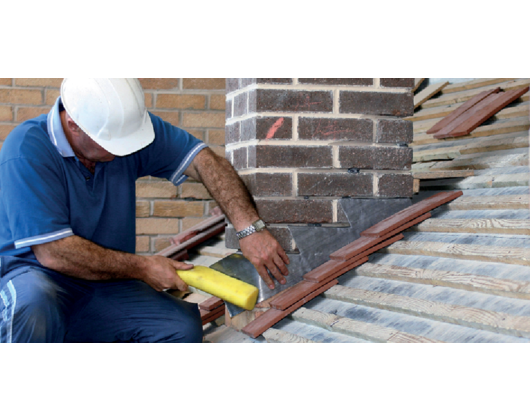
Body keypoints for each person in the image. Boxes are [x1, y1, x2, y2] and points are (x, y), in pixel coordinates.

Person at [0, 78, 290, 343]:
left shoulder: (126, 127)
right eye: (112, 144)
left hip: (103, 283)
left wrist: (249, 228)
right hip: (35, 276)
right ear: (74, 124)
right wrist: (145, 267)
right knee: (33, 304)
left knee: (179, 327)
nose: (123, 151)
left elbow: (204, 160)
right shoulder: (27, 149)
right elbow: (54, 253)